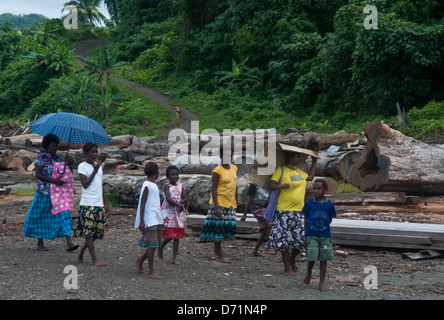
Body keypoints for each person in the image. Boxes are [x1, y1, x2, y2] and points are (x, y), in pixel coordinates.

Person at [23, 133, 78, 252]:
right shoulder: (41, 158)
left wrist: (68, 164)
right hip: (43, 192)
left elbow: (64, 174)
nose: (54, 148)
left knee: (64, 215)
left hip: (58, 193)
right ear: (47, 145)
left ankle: (69, 242)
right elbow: (38, 174)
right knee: (41, 216)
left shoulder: (58, 158)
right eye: (52, 146)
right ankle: (40, 242)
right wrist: (53, 181)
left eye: (56, 146)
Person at [267, 151, 317, 276]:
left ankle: (292, 260)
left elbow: (310, 178)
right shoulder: (281, 170)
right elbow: (271, 185)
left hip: (299, 211)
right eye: (297, 156)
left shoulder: (300, 172)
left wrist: (315, 161)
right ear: (290, 158)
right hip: (284, 210)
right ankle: (287, 267)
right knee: (285, 240)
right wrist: (281, 186)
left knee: (300, 240)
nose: (300, 159)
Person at [200, 145, 238, 264]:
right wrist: (216, 207)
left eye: (231, 155)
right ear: (221, 156)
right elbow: (213, 189)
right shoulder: (217, 171)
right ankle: (220, 255)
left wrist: (236, 200)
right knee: (218, 229)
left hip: (230, 203)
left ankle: (216, 251)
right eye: (227, 155)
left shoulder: (234, 168)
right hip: (219, 203)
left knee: (228, 227)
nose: (229, 157)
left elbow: (235, 185)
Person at [74, 142, 110, 266]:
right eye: (92, 152)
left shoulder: (98, 167)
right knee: (89, 232)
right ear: (85, 154)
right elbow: (85, 184)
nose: (95, 154)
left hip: (98, 203)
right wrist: (94, 170)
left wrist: (105, 203)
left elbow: (100, 185)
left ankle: (82, 250)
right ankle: (94, 258)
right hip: (88, 203)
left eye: (96, 152)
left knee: (96, 232)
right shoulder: (82, 166)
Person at [302, 178, 336, 291]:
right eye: (314, 189)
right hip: (312, 235)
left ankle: (321, 283)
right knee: (312, 257)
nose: (316, 191)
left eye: (319, 188)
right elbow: (306, 219)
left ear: (325, 190)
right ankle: (308, 273)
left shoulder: (329, 204)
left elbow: (329, 219)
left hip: (325, 236)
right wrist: (305, 235)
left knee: (323, 259)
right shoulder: (309, 203)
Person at [134, 162, 163, 279]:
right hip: (149, 217)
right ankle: (151, 270)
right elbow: (142, 202)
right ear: (157, 173)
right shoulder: (147, 185)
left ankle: (140, 260)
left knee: (154, 244)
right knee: (151, 245)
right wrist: (141, 220)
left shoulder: (153, 184)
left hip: (156, 216)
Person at [158, 165, 189, 265]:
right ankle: (161, 246)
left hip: (178, 213)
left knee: (177, 236)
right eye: (173, 175)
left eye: (177, 174)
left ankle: (174, 258)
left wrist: (181, 202)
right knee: (171, 234)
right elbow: (168, 198)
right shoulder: (167, 186)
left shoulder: (180, 186)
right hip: (169, 213)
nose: (175, 176)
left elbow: (186, 198)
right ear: (168, 177)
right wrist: (179, 204)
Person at [240, 183, 274, 257]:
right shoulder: (254, 185)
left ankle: (255, 251)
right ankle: (268, 246)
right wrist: (245, 214)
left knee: (265, 229)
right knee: (269, 223)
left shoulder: (267, 185)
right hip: (256, 208)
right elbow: (250, 199)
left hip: (264, 208)